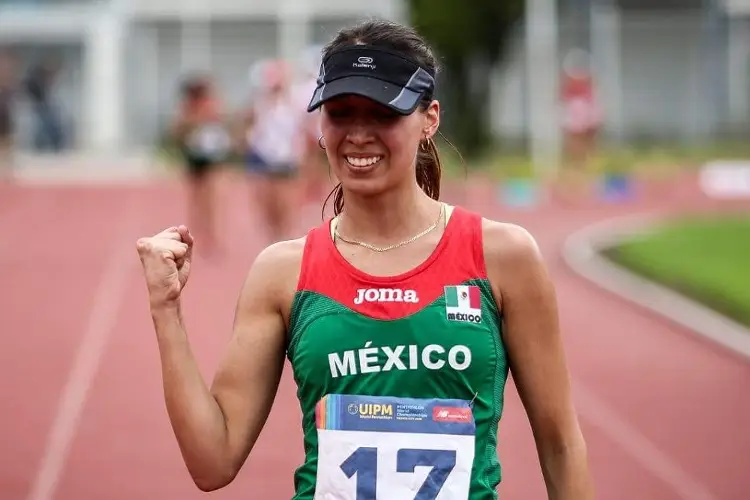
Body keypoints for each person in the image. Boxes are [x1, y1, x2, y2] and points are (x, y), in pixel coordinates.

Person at [136, 19, 593, 499]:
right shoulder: (282, 272)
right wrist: (166, 311)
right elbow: (213, 461)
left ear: (429, 119)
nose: (358, 134)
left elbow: (560, 443)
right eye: (340, 112)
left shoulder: (503, 257)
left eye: (381, 114)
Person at [240, 59, 303, 243]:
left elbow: (301, 131)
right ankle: (273, 239)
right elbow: (247, 127)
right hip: (263, 158)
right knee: (265, 204)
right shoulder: (259, 104)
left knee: (284, 203)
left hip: (285, 159)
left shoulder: (293, 104)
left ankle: (284, 237)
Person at [171, 74, 230, 256]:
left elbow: (222, 123)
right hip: (194, 157)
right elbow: (177, 132)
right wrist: (193, 121)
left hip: (211, 157)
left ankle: (212, 238)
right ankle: (195, 236)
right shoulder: (185, 109)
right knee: (196, 201)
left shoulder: (212, 106)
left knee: (211, 201)